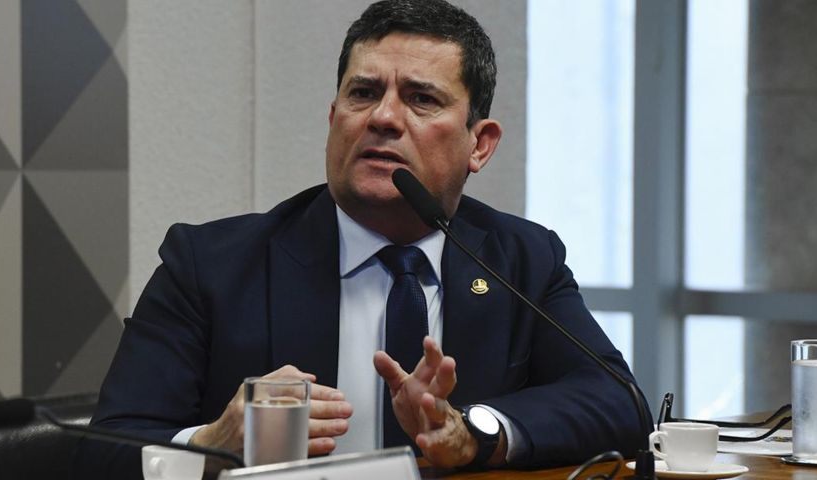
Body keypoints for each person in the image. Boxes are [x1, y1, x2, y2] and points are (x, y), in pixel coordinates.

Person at [72, 0, 646, 477]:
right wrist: (212, 441)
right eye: (364, 93)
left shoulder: (520, 259)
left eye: (421, 99)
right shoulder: (210, 266)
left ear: (480, 144)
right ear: (334, 119)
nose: (383, 118)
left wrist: (475, 433)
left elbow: (618, 402)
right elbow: (103, 454)